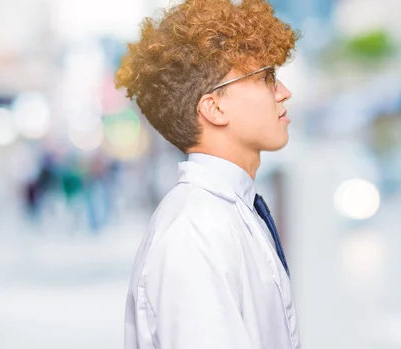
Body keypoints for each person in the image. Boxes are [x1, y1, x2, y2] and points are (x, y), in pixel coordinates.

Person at [115, 0, 301, 348]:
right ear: (214, 107)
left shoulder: (225, 212)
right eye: (267, 78)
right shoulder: (195, 232)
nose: (284, 92)